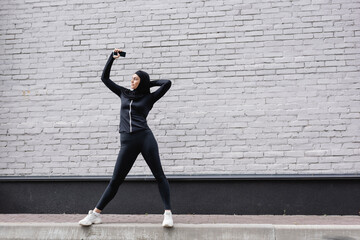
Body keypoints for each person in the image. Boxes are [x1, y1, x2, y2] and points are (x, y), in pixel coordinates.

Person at [79, 48, 173, 227]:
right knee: (116, 180)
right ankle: (96, 214)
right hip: (127, 142)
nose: (132, 80)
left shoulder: (149, 97)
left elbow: (167, 83)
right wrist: (111, 59)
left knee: (159, 175)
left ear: (142, 82)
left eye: (136, 78)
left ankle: (167, 213)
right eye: (132, 78)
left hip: (145, 139)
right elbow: (105, 78)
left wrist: (148, 83)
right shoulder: (123, 92)